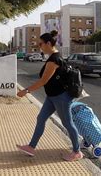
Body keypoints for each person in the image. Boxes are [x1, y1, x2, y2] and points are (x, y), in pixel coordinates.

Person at [16, 30, 82, 161]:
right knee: (41, 119)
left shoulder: (54, 60)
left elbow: (43, 81)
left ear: (48, 43)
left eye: (40, 44)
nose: (39, 47)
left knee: (67, 123)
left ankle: (77, 152)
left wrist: (26, 90)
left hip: (61, 97)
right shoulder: (52, 58)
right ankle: (31, 147)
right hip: (52, 97)